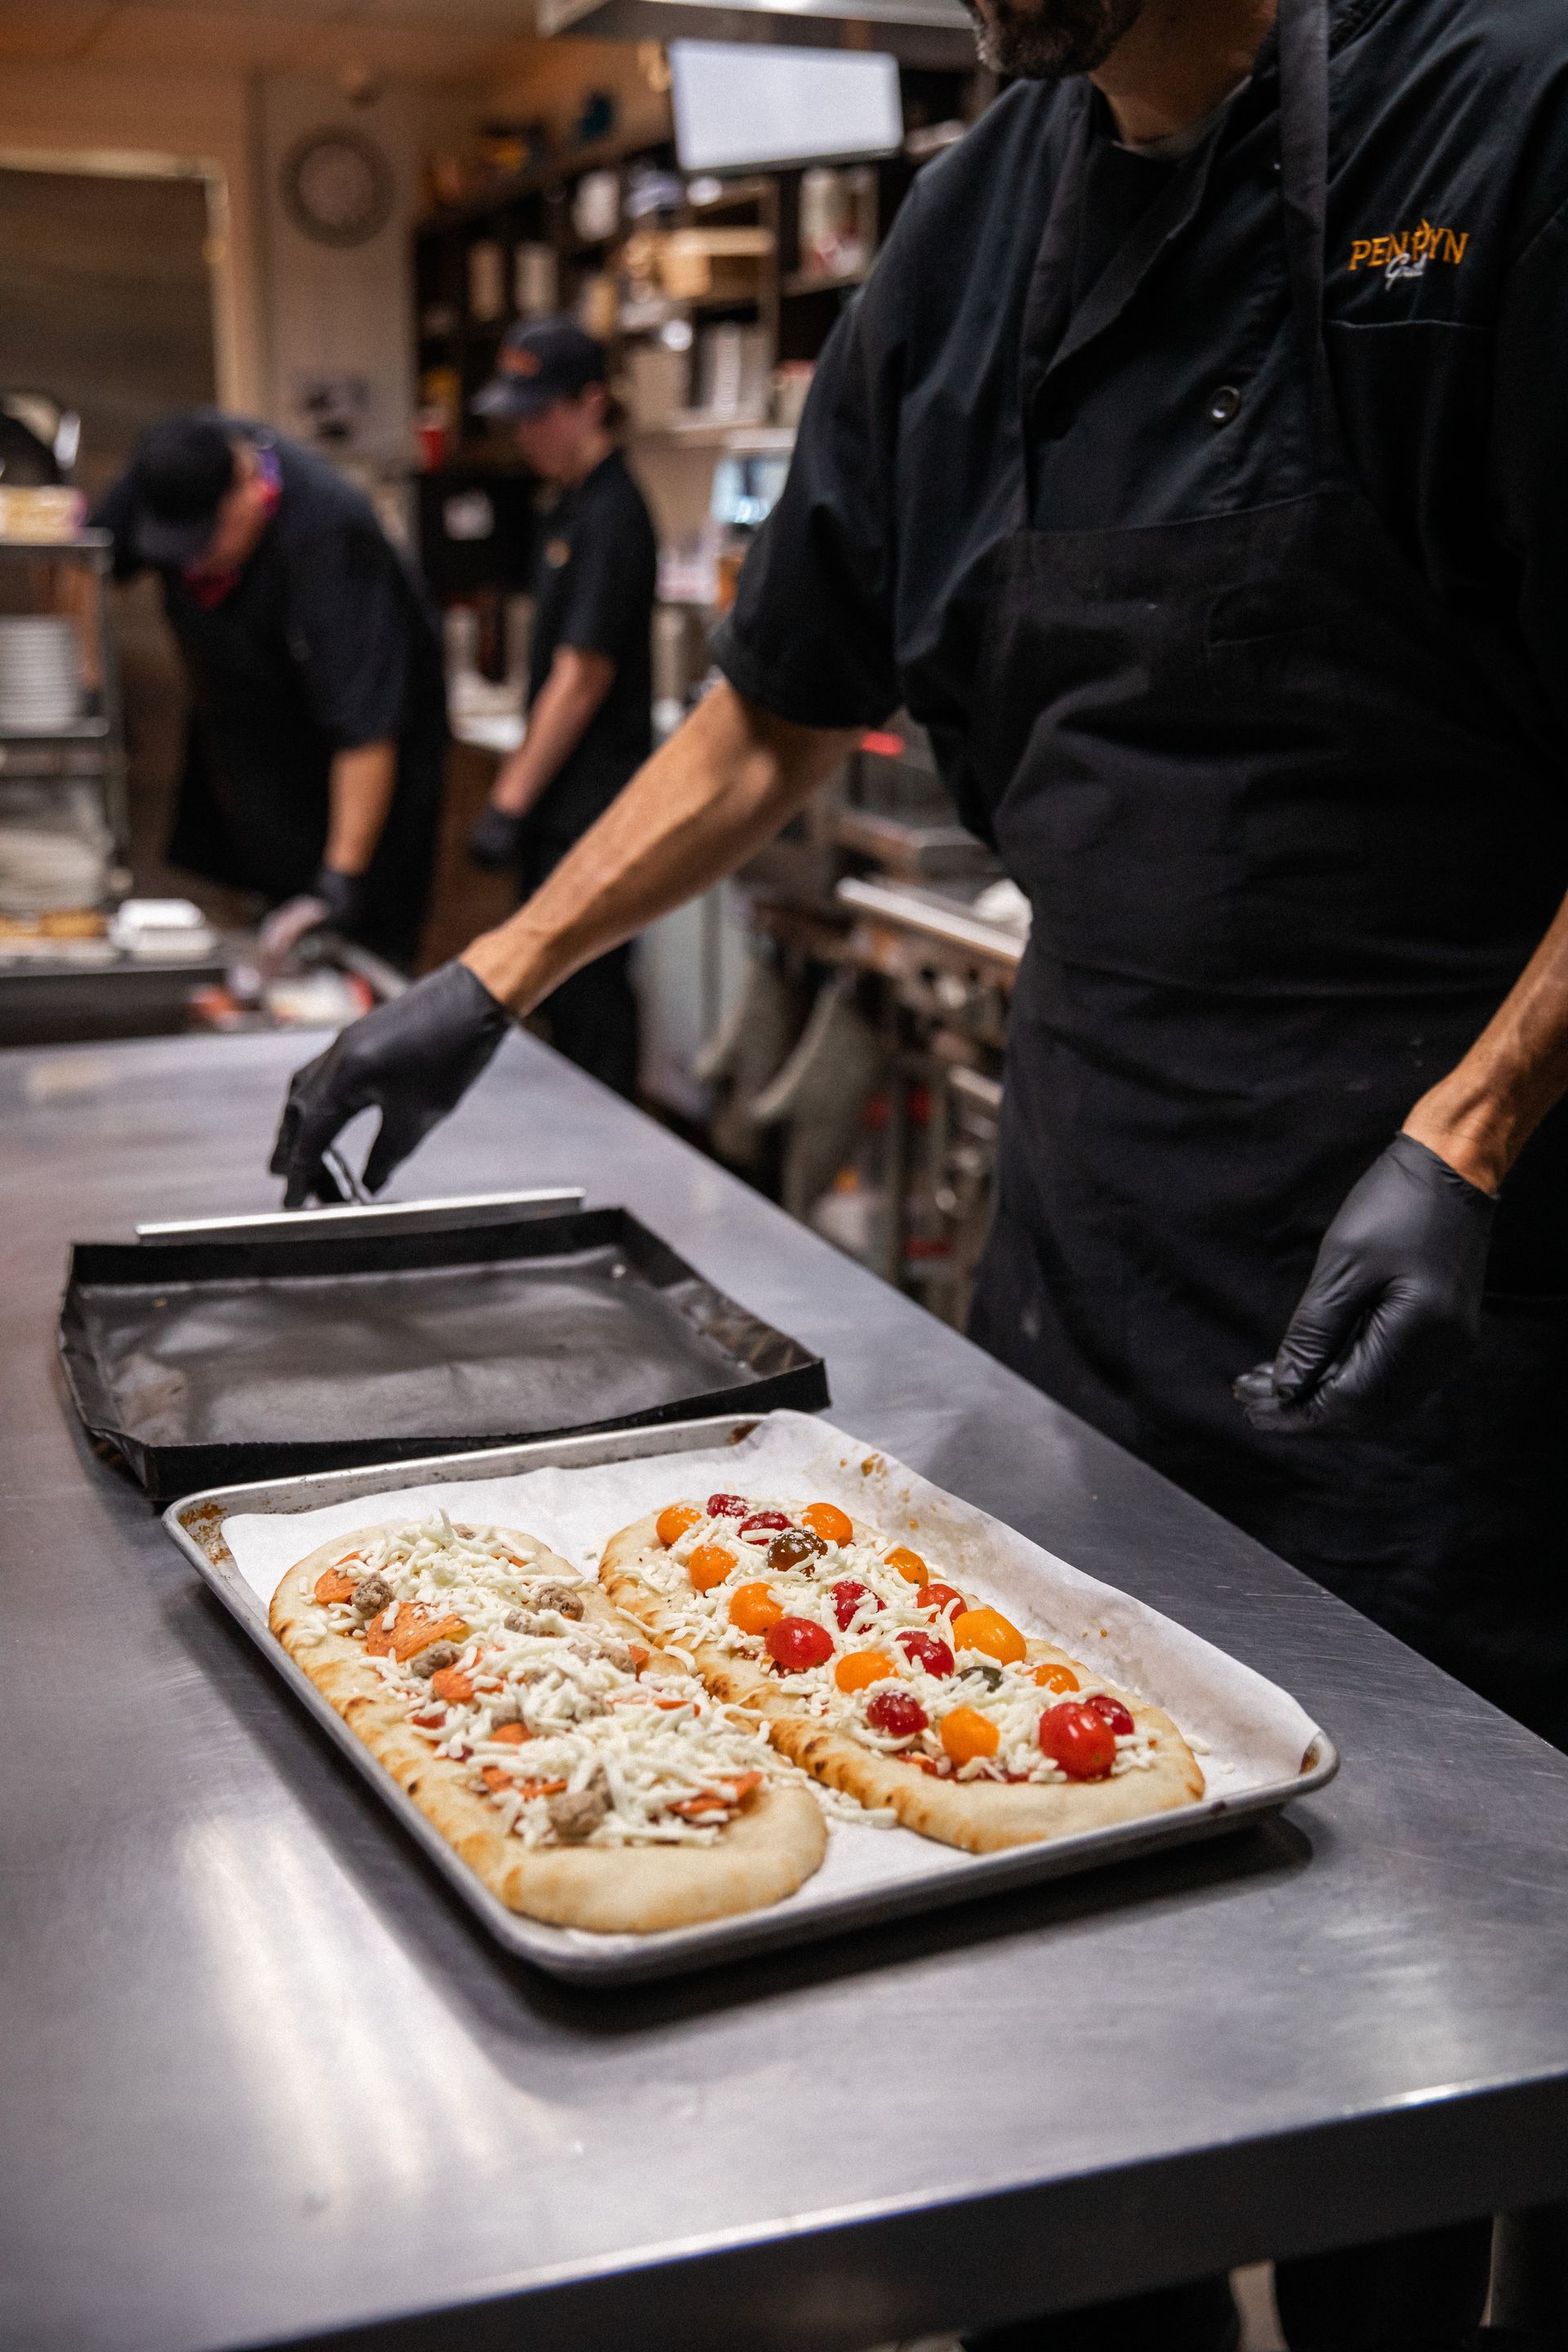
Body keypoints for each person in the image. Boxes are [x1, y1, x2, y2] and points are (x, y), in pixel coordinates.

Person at [270, 0, 1568, 2336]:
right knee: (1062, 2059)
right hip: (1096, 1240)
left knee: (1414, 2047)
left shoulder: (1512, 112)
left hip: (1460, 1284)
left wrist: (1472, 1130)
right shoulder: (972, 224)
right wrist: (505, 967)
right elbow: (781, 704)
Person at [96, 410, 447, 967]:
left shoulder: (330, 534)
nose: (191, 563)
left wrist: (340, 877)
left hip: (357, 785)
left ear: (252, 488)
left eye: (206, 542)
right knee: (269, 952)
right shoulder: (168, 467)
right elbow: (77, 559)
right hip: (251, 754)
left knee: (354, 963)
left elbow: (367, 729)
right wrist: (89, 683)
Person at [464, 319, 657, 1098]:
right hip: (560, 805)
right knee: (557, 1001)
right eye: (517, 416)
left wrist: (507, 801)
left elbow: (583, 676)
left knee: (592, 1000)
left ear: (592, 401)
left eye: (539, 414)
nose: (525, 434)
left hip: (593, 810)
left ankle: (614, 1163)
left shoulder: (614, 513)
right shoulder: (567, 508)